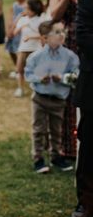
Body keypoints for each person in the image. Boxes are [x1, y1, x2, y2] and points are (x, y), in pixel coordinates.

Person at [47, 0, 93, 161]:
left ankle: (81, 145)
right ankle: (62, 147)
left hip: (86, 48)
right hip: (65, 47)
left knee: (83, 95)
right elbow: (54, 16)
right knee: (63, 96)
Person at [24, 20, 79, 174]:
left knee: (56, 130)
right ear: (44, 38)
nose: (61, 35)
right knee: (38, 129)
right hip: (40, 98)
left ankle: (56, 156)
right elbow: (28, 74)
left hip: (59, 99)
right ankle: (38, 158)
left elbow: (76, 76)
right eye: (57, 32)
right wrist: (39, 78)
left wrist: (61, 78)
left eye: (63, 31)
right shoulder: (36, 57)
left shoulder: (70, 56)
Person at [71, 0, 93, 217]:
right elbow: (84, 38)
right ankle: (86, 202)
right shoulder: (87, 1)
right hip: (92, 85)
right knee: (89, 145)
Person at [14, 0, 46, 97]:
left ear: (34, 10)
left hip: (36, 49)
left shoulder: (41, 20)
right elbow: (15, 33)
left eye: (28, 9)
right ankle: (20, 88)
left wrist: (31, 35)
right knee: (20, 69)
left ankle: (36, 89)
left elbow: (44, 36)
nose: (25, 10)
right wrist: (20, 23)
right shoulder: (23, 19)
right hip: (23, 48)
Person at [6, 0, 32, 81]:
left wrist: (13, 28)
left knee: (20, 52)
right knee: (11, 50)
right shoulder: (14, 5)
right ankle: (18, 69)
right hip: (13, 30)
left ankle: (22, 70)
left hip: (22, 32)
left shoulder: (28, 5)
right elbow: (10, 18)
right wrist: (8, 29)